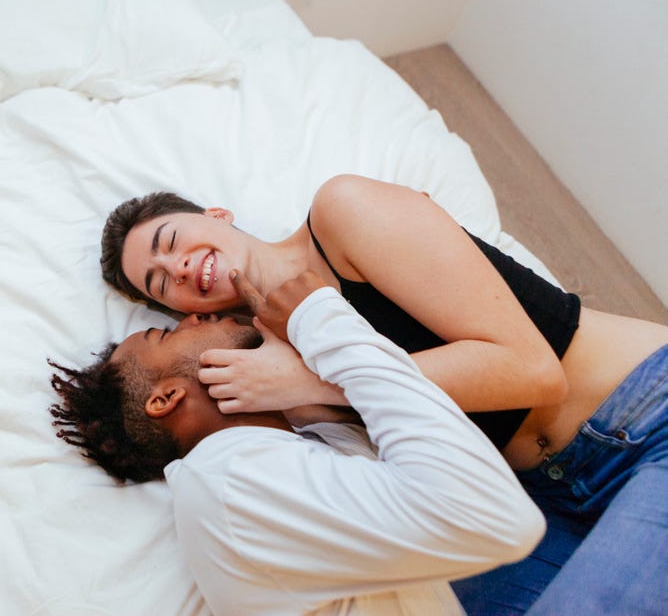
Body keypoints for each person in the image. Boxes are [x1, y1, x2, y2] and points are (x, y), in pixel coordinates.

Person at [100, 175, 668, 616]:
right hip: (533, 492)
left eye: (170, 241)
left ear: (216, 216)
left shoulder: (342, 214)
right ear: (185, 312)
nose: (176, 266)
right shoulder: (255, 370)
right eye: (159, 282)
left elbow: (534, 371)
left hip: (641, 416)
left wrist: (310, 382)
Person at [50, 271, 545, 616]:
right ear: (167, 398)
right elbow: (499, 518)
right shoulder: (233, 483)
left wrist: (301, 369)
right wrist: (320, 320)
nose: (192, 317)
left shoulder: (278, 450)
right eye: (165, 333)